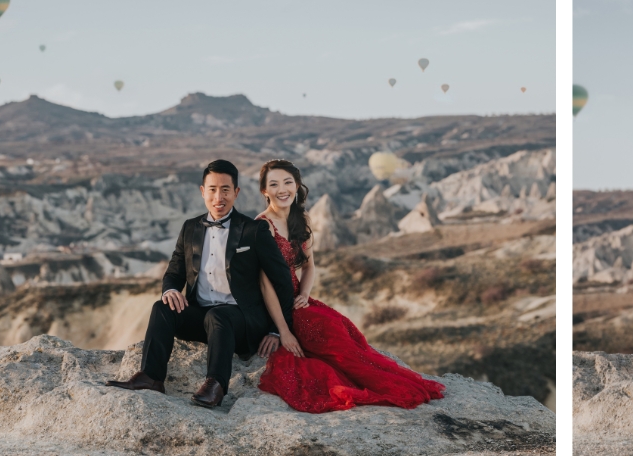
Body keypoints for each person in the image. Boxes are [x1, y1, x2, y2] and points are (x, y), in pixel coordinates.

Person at [253, 159, 445, 412]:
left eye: (288, 182)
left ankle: (376, 379)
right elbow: (264, 283)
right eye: (274, 184)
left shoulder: (301, 218)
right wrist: (283, 332)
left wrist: (305, 294)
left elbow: (309, 266)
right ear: (265, 191)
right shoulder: (262, 225)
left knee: (339, 329)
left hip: (298, 297)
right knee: (324, 339)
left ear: (297, 186)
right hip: (274, 305)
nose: (282, 189)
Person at [107, 159, 294, 408]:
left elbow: (282, 281)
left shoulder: (254, 230)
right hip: (202, 318)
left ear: (236, 193)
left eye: (226, 190)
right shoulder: (190, 228)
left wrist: (275, 330)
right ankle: (151, 377)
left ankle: (215, 384)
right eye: (213, 189)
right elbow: (174, 271)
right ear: (202, 191)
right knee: (162, 308)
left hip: (240, 322)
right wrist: (171, 289)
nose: (219, 197)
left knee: (220, 315)